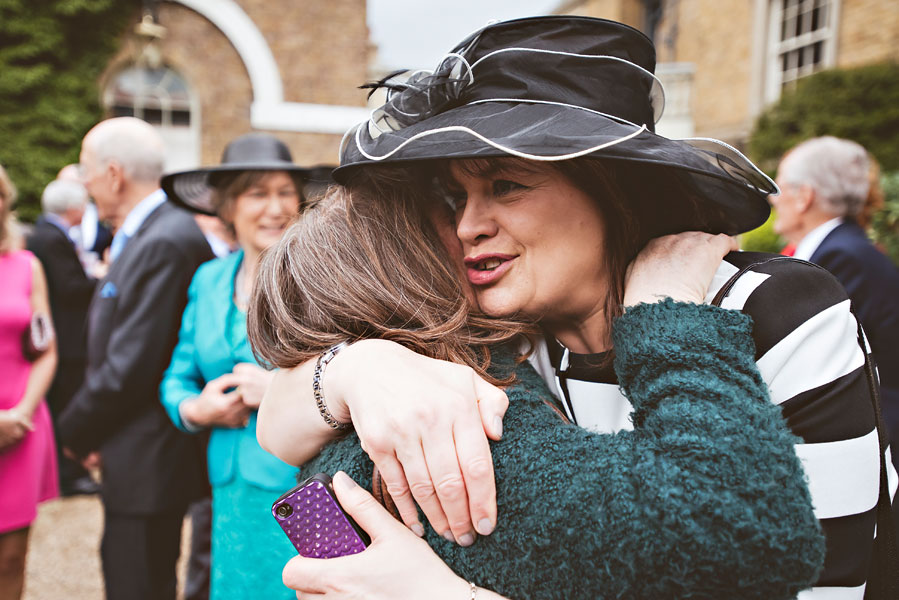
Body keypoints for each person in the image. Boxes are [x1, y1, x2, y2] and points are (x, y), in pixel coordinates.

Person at [255, 17, 897, 599]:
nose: (469, 226)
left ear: (610, 185)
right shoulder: (500, 339)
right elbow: (277, 425)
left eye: (504, 184)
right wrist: (354, 370)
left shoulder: (771, 307)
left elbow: (816, 584)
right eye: (455, 199)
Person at [249, 182, 825, 599]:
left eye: (503, 189)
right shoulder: (466, 437)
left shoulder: (347, 422)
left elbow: (277, 421)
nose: (468, 229)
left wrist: (350, 368)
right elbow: (739, 521)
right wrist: (663, 314)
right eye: (446, 215)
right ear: (407, 272)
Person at [56, 117, 214, 600]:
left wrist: (72, 431)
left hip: (148, 455)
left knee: (138, 582)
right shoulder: (152, 232)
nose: (83, 184)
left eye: (86, 171)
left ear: (114, 173)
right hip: (133, 448)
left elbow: (131, 365)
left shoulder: (164, 239)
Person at [158, 133, 308, 600]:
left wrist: (280, 393)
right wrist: (194, 409)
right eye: (257, 193)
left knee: (306, 588)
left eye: (285, 192)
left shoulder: (325, 279)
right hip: (230, 488)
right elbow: (177, 376)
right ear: (227, 206)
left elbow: (355, 373)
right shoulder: (209, 279)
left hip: (307, 483)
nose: (275, 207)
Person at [770, 136, 899, 473]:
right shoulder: (842, 249)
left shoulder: (840, 257)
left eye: (779, 187)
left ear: (804, 197)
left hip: (868, 444)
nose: (772, 199)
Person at [0, 164, 59, 600]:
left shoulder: (26, 266)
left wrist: (19, 413)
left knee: (11, 556)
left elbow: (46, 348)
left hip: (20, 422)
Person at [25, 180, 100, 497]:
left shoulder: (45, 233)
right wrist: (97, 278)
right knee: (66, 404)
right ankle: (69, 475)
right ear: (72, 208)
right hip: (66, 339)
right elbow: (69, 288)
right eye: (83, 205)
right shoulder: (51, 238)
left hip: (63, 336)